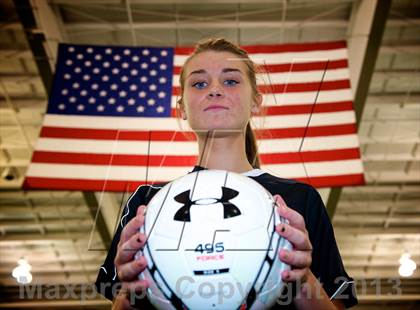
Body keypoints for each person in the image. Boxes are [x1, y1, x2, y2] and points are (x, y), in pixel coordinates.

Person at [95, 38, 358, 309]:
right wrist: (129, 293)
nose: (215, 90)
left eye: (230, 81)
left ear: (256, 102)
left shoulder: (300, 200)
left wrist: (303, 279)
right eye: (199, 83)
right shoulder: (148, 202)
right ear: (182, 108)